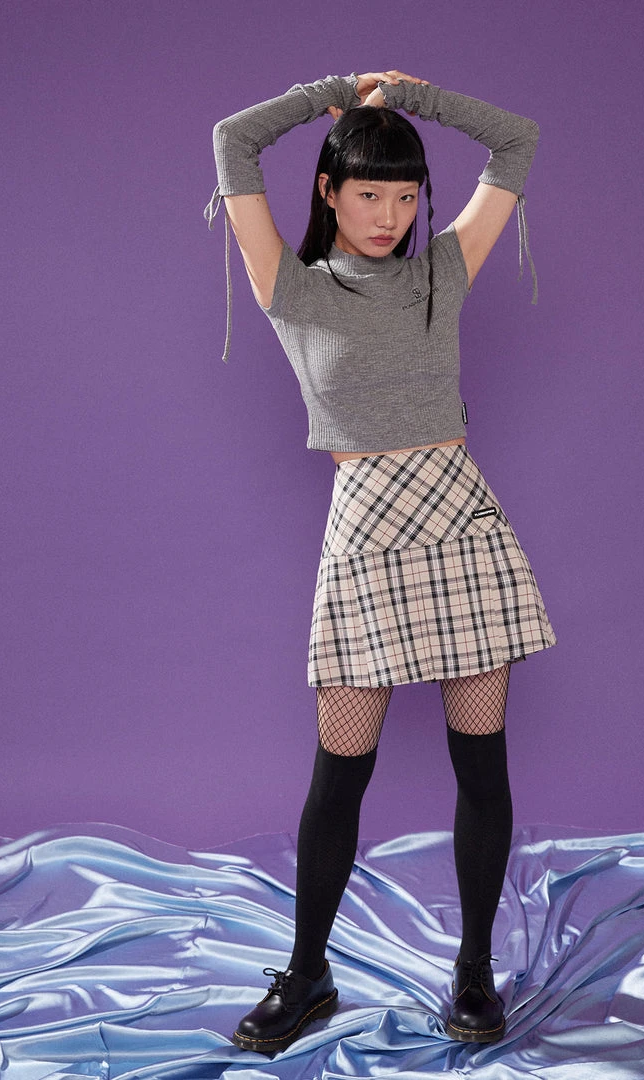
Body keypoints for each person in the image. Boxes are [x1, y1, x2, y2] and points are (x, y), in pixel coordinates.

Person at [205, 69, 556, 1054]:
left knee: (480, 762)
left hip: (459, 525)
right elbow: (232, 140)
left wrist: (419, 97)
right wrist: (330, 94)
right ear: (328, 191)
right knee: (339, 775)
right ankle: (307, 973)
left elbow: (518, 140)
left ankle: (474, 969)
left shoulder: (442, 270)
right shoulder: (291, 286)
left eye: (405, 196)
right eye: (368, 193)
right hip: (364, 535)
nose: (390, 216)